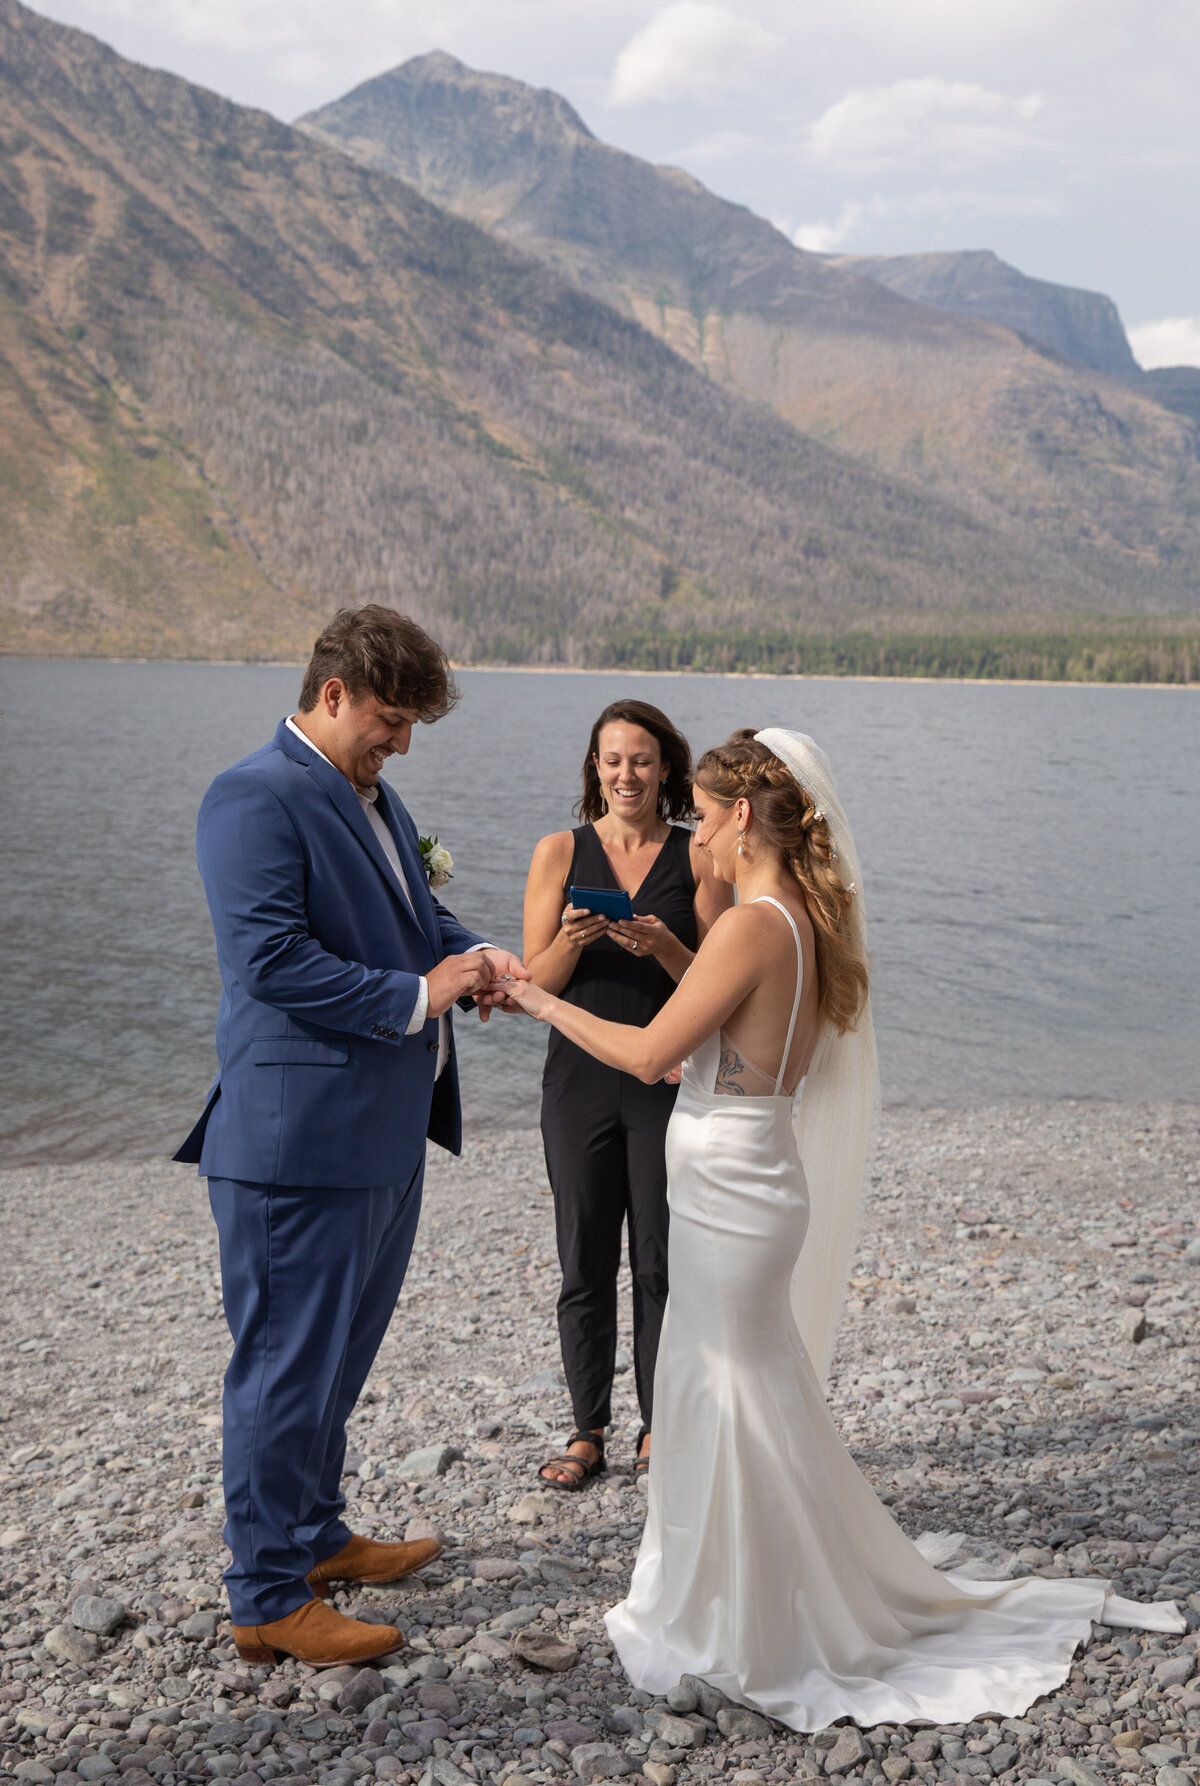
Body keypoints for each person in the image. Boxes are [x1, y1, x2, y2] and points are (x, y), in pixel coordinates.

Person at [505, 727, 1182, 1728]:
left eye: (704, 813)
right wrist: (675, 949)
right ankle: (757, 1586)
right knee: (737, 1385)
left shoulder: (753, 922)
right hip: (750, 1177)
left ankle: (751, 1616)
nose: (696, 836)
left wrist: (531, 997)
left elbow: (652, 1055)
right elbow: (741, 1039)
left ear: (740, 817)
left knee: (730, 1389)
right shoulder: (789, 920)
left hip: (732, 1190)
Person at [174, 605, 526, 1668]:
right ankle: (267, 1595)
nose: (402, 741)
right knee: (284, 1366)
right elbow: (272, 962)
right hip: (297, 1145)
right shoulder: (252, 797)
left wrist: (478, 958)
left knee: (335, 1361)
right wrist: (423, 994)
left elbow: (413, 917)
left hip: (380, 1137)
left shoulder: (368, 793)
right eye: (389, 718)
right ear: (331, 694)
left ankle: (317, 1534)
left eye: (413, 723)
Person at [524, 701, 731, 1490]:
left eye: (641, 760)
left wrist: (667, 943)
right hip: (576, 1083)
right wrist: (569, 945)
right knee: (582, 1258)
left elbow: (718, 984)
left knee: (658, 1260)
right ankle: (587, 1430)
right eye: (612, 760)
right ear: (594, 768)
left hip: (665, 1080)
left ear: (665, 769)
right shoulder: (557, 853)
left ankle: (660, 1423)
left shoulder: (699, 859)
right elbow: (530, 985)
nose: (626, 775)